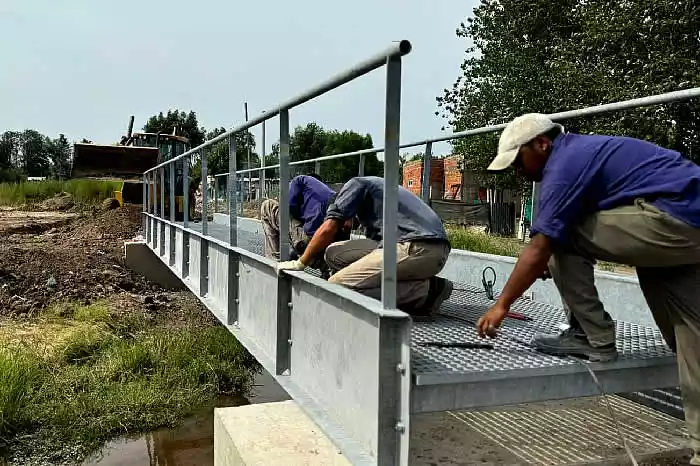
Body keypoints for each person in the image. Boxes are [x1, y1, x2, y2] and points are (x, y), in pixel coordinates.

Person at [475, 113, 700, 462]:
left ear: (542, 144)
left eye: (518, 161)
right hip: (687, 221)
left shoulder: (563, 165)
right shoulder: (585, 151)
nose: (518, 172)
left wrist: (501, 304)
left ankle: (593, 336)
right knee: (688, 338)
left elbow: (540, 247)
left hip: (673, 217)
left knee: (560, 235)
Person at [277, 176, 453, 316]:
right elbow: (373, 248)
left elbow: (329, 228)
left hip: (416, 245)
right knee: (333, 253)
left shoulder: (355, 185)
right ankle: (412, 284)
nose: (346, 228)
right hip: (427, 247)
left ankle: (425, 291)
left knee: (336, 287)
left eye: (344, 221)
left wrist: (300, 262)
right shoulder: (375, 201)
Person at [261, 174, 345, 276]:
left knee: (268, 205)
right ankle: (327, 271)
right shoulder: (329, 195)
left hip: (310, 247)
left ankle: (274, 262)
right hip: (329, 254)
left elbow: (288, 206)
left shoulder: (299, 181)